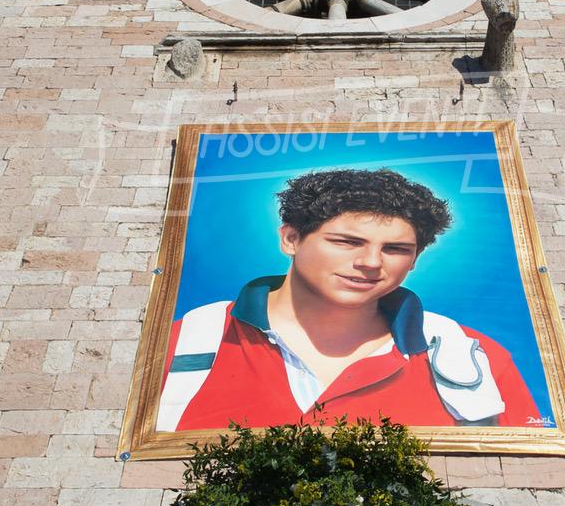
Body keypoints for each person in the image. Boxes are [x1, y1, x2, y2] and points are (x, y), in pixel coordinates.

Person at [156, 168, 541, 431]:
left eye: (395, 249)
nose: (371, 262)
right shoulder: (186, 342)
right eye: (347, 242)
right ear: (291, 239)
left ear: (415, 260)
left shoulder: (476, 360)